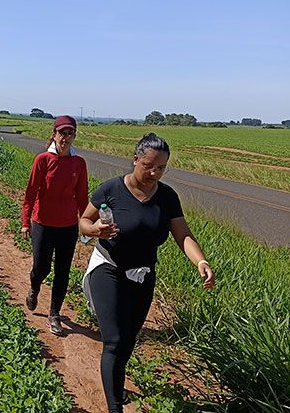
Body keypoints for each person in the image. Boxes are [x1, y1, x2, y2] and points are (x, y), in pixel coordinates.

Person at [78, 133, 215, 413]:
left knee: (129, 339)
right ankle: (114, 407)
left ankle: (115, 380)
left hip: (142, 274)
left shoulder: (167, 197)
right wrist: (94, 230)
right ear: (135, 160)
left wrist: (200, 261)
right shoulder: (111, 189)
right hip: (108, 267)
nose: (155, 173)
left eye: (161, 167)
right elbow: (83, 221)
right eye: (149, 166)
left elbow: (183, 235)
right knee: (114, 340)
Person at [21, 115, 88, 335]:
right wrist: (25, 222)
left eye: (70, 133)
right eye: (62, 133)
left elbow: (82, 197)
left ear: (74, 136)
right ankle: (34, 287)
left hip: (68, 226)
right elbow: (31, 193)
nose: (66, 137)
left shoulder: (79, 163)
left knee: (63, 271)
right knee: (41, 268)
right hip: (43, 223)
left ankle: (54, 314)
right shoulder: (43, 160)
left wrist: (87, 223)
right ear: (54, 134)